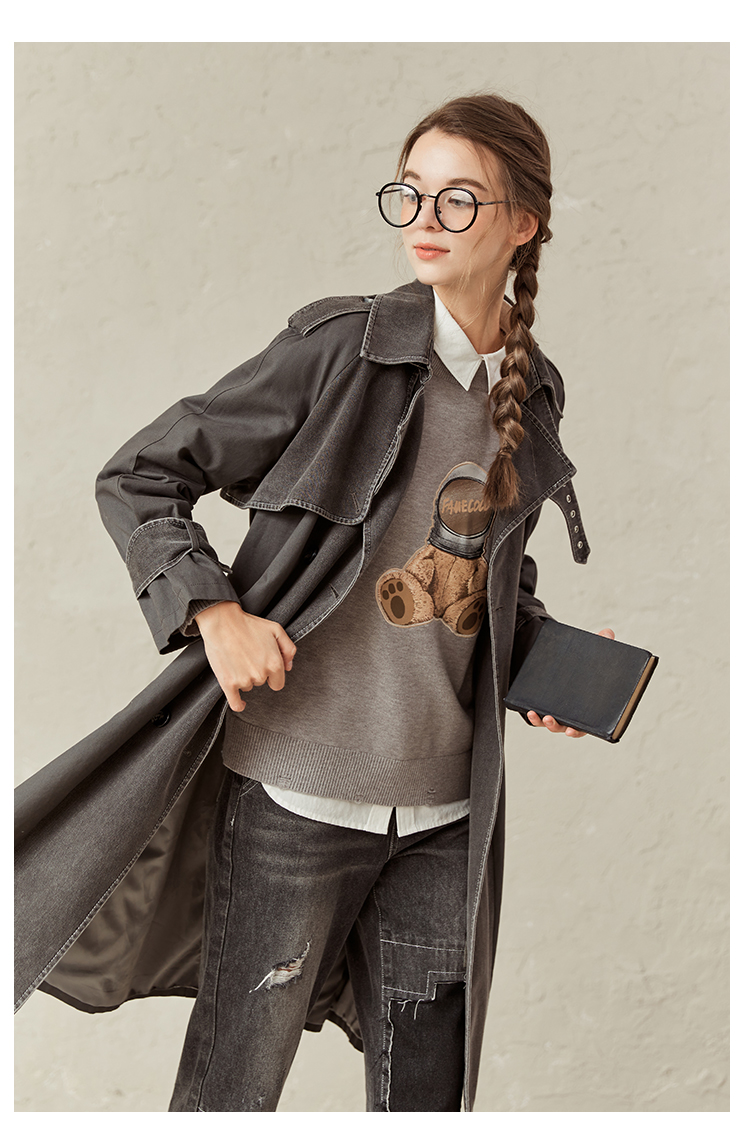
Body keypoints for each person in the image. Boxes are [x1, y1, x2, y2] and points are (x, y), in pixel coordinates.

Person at [16, 93, 612, 1112]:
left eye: (459, 199)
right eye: (410, 192)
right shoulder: (344, 347)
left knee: (428, 1104)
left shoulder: (531, 390)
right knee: (232, 1096)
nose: (425, 218)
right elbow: (141, 473)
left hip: (447, 818)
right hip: (293, 800)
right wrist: (216, 615)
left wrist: (546, 661)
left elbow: (482, 592)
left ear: (524, 223)